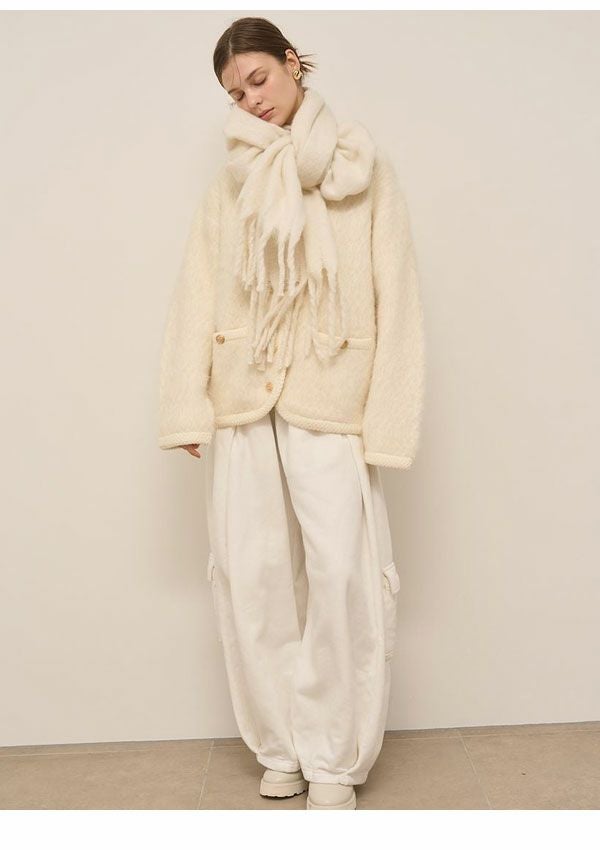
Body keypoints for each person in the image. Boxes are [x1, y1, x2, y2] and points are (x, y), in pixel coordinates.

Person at [158, 16, 426, 810]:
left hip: (334, 390)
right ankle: (281, 745)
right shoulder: (231, 182)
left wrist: (389, 419)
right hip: (244, 392)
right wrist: (187, 406)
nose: (251, 99)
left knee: (344, 574)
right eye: (235, 92)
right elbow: (196, 289)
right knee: (252, 574)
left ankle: (333, 755)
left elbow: (398, 293)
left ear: (291, 62)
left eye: (258, 79)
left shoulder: (360, 166)